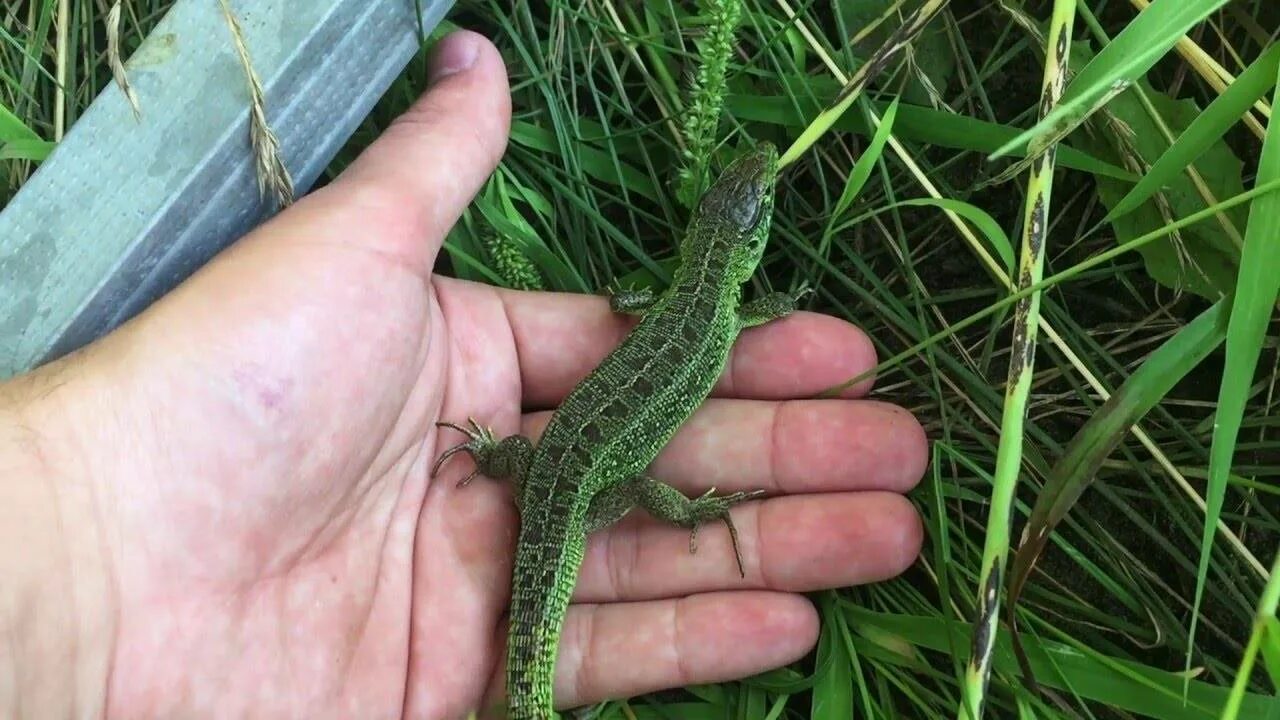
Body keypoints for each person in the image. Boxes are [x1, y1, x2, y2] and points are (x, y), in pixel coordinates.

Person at [0, 31, 926, 719]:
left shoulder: (687, 295)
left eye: (748, 197)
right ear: (744, 248)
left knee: (538, 550)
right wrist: (684, 504)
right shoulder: (728, 309)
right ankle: (684, 515)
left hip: (543, 467)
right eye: (749, 201)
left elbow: (616, 297)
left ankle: (501, 467)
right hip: (581, 485)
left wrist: (496, 451)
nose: (749, 186)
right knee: (630, 513)